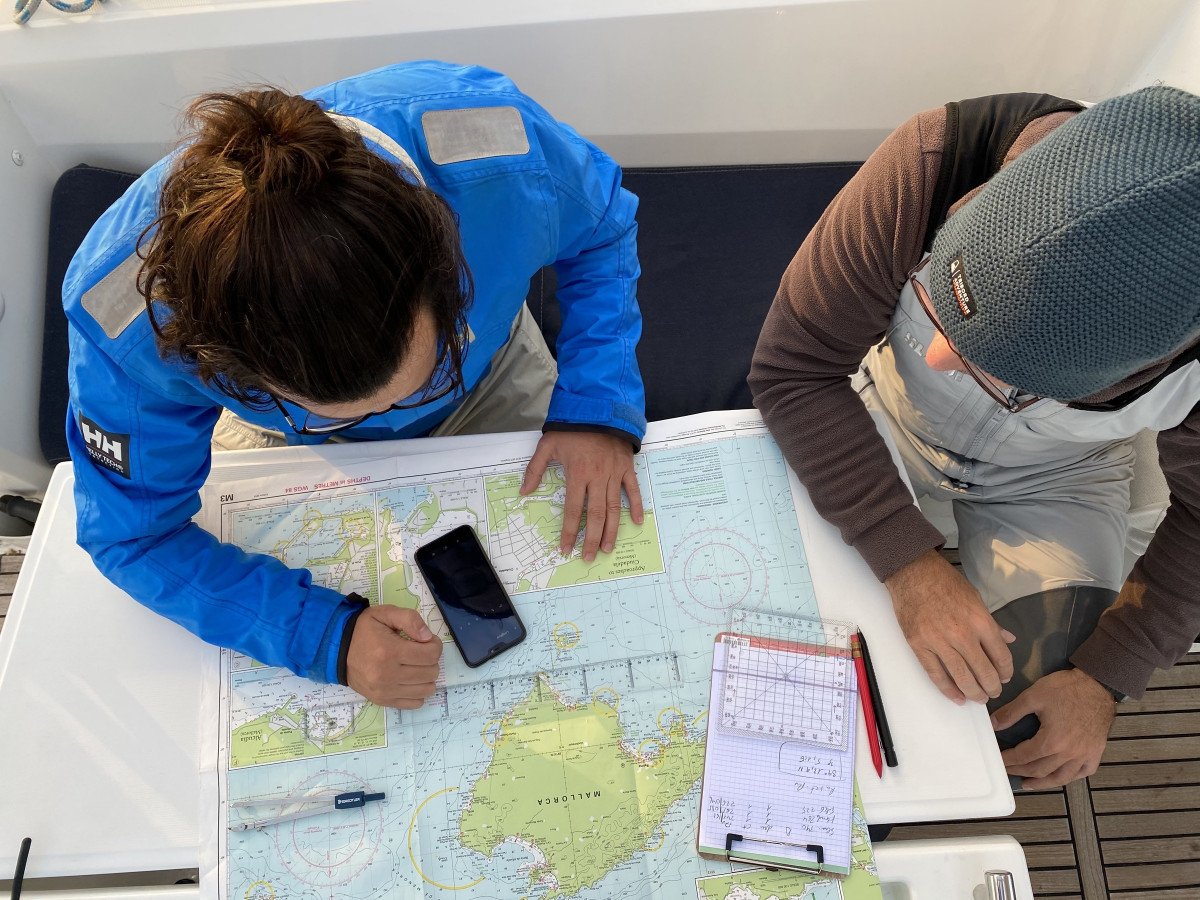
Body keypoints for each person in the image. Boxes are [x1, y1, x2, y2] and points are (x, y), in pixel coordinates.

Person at [63, 61, 647, 709]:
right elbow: (134, 536)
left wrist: (594, 407)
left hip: (493, 374)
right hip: (281, 440)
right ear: (217, 360)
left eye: (421, 371)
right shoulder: (124, 325)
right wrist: (323, 636)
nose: (397, 416)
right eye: (344, 405)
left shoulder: (500, 154)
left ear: (445, 253)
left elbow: (603, 228)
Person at [750, 86, 1200, 789]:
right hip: (876, 416)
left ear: (1135, 372)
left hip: (1060, 477)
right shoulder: (934, 159)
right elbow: (794, 369)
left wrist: (1108, 678)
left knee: (1022, 720)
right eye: (940, 305)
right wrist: (908, 564)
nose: (938, 354)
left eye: (998, 365)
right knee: (764, 635)